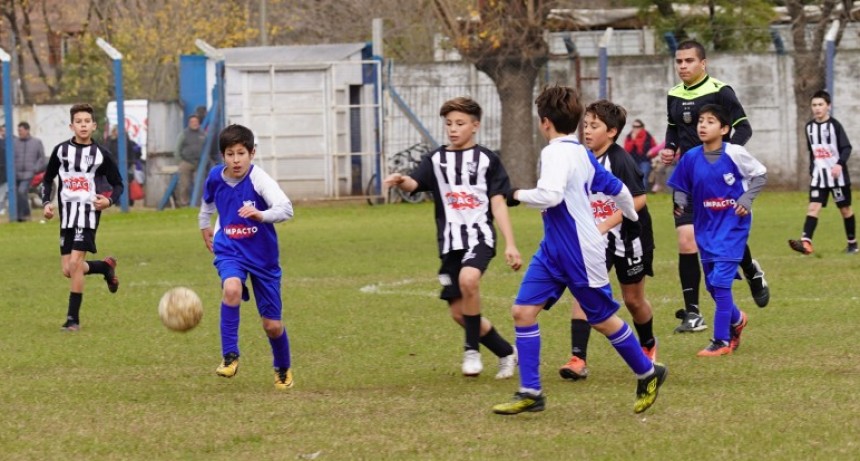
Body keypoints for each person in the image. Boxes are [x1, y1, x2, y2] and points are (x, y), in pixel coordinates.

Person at [492, 85, 667, 416]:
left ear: (545, 122)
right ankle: (531, 391)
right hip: (552, 249)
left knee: (602, 319)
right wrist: (630, 215)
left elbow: (551, 195)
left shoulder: (556, 153)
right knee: (522, 311)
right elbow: (617, 188)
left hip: (580, 251)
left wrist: (515, 194)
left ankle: (648, 372)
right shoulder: (580, 152)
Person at [384, 96, 521, 379]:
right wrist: (401, 180)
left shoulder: (488, 160)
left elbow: (498, 203)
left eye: (460, 123)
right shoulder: (436, 159)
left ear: (475, 126)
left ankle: (471, 351)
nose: (453, 129)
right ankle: (507, 352)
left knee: (469, 280)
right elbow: (415, 183)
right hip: (449, 243)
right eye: (449, 124)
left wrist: (510, 243)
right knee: (459, 314)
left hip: (479, 236)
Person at [659, 39, 769, 335]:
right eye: (679, 61)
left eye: (689, 61)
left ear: (703, 63)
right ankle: (693, 313)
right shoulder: (673, 94)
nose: (683, 66)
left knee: (722, 236)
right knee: (687, 241)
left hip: (719, 183)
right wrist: (670, 147)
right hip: (688, 180)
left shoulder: (721, 91)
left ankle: (751, 270)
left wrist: (725, 157)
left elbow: (743, 127)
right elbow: (673, 127)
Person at [558, 100, 657, 381]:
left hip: (630, 238)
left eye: (594, 126)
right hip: (597, 241)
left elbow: (638, 200)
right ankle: (578, 358)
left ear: (611, 132)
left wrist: (603, 224)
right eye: (585, 125)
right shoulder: (580, 157)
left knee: (633, 301)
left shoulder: (620, 160)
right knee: (584, 290)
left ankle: (648, 345)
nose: (587, 131)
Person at [198, 123, 296, 390]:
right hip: (229, 248)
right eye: (230, 154)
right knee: (231, 289)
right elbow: (207, 201)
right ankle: (230, 356)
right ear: (222, 156)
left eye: (241, 153)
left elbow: (286, 209)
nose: (236, 160)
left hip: (263, 256)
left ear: (252, 153)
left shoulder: (259, 179)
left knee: (272, 325)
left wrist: (261, 215)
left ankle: (282, 366)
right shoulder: (216, 176)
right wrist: (204, 224)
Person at [667, 104, 767, 356]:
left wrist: (746, 199)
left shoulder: (735, 153)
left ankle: (721, 341)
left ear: (724, 129)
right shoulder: (691, 157)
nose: (703, 125)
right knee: (712, 286)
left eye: (710, 121)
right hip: (706, 228)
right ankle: (738, 319)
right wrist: (680, 202)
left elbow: (760, 175)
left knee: (721, 283)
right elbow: (680, 185)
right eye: (701, 120)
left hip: (733, 227)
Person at [40, 104, 122, 332]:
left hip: (87, 215)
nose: (83, 125)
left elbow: (118, 184)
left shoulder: (101, 154)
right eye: (79, 121)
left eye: (87, 121)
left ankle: (72, 320)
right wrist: (46, 203)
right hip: (67, 216)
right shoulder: (60, 151)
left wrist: (108, 201)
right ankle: (105, 267)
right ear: (71, 126)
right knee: (68, 270)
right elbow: (47, 179)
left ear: (94, 126)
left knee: (75, 264)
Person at [788, 90, 857, 255]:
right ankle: (806, 243)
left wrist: (839, 165)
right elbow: (812, 151)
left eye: (820, 104)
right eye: (814, 105)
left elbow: (846, 148)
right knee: (813, 207)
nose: (817, 108)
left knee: (845, 209)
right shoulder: (809, 127)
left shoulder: (835, 126)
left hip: (838, 178)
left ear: (828, 106)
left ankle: (852, 244)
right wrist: (812, 169)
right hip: (819, 177)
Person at [14, 121, 46, 221]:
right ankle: (20, 216)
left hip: (29, 174)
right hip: (16, 174)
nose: (19, 133)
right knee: (18, 194)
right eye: (18, 131)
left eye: (21, 130)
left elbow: (41, 158)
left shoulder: (36, 142)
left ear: (27, 130)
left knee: (21, 191)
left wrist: (35, 169)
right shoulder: (15, 142)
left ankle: (25, 215)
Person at [175, 114, 206, 207]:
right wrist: (180, 162)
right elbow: (177, 149)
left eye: (196, 122)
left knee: (200, 184)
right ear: (189, 123)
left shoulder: (203, 134)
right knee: (185, 185)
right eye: (192, 122)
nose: (194, 123)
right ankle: (184, 203)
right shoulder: (183, 134)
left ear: (199, 123)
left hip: (199, 163)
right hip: (186, 162)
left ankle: (198, 204)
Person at [107, 125, 143, 205]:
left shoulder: (127, 141)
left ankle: (129, 201)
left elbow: (132, 153)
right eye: (117, 130)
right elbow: (108, 152)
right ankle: (118, 201)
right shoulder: (110, 141)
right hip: (114, 166)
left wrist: (131, 163)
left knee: (127, 183)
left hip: (126, 165)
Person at [623, 119, 657, 190]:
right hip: (632, 161)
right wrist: (633, 140)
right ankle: (634, 192)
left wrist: (651, 154)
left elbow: (654, 148)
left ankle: (642, 192)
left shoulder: (648, 136)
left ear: (642, 127)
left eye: (638, 126)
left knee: (643, 175)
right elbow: (626, 150)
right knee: (632, 177)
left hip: (645, 160)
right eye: (634, 126)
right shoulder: (629, 137)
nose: (635, 128)